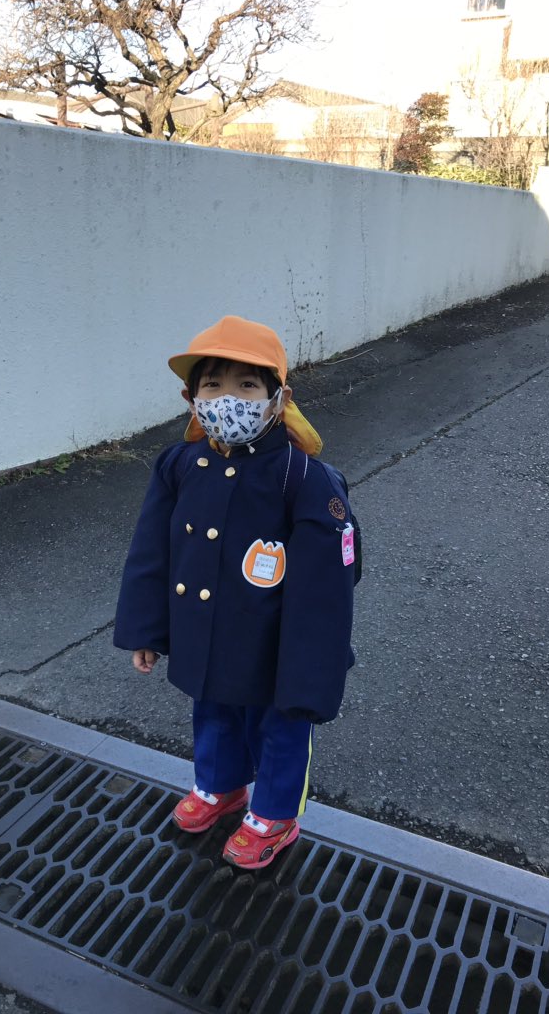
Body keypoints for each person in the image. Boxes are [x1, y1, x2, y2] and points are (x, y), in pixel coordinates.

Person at [114, 315, 355, 870]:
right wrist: (146, 628)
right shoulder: (179, 464)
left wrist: (312, 668)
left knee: (278, 725)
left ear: (279, 397)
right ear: (190, 397)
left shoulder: (303, 477)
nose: (229, 399)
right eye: (213, 385)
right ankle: (221, 787)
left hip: (276, 641)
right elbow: (151, 551)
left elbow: (325, 589)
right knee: (213, 711)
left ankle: (274, 813)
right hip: (206, 629)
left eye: (247, 386)